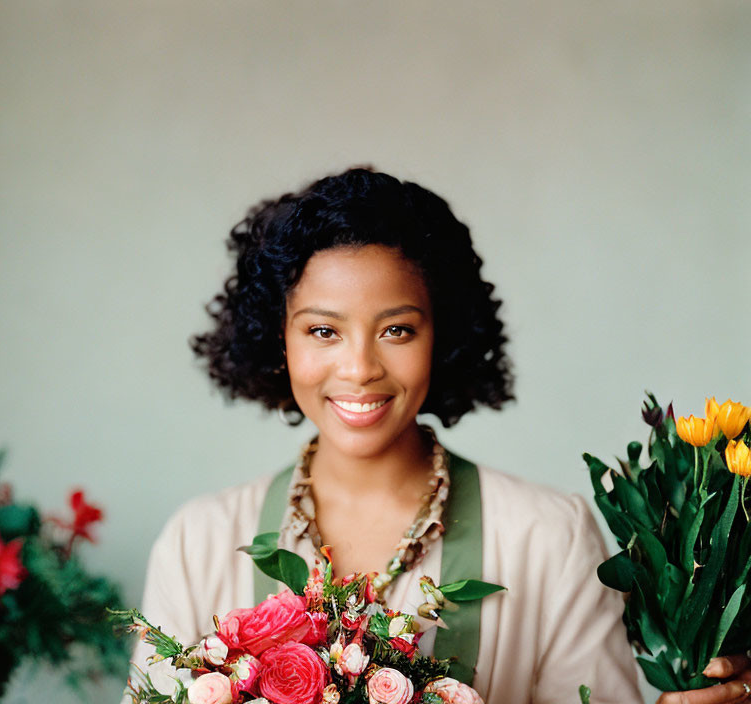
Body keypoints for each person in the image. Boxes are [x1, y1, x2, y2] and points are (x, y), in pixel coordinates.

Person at [126, 168, 733, 703]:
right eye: (322, 332)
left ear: (443, 336)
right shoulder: (198, 543)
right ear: (275, 339)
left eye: (396, 330)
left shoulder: (550, 538)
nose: (360, 367)